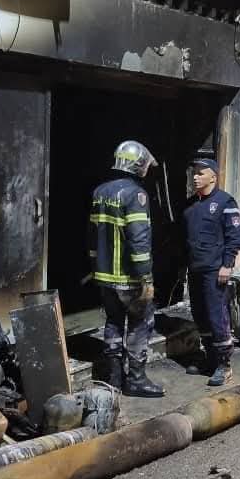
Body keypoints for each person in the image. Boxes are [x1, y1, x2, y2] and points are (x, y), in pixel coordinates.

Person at [91, 140, 164, 398]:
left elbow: (92, 235)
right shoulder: (136, 195)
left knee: (113, 322)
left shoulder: (100, 192)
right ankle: (136, 380)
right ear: (138, 164)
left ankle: (114, 378)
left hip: (104, 276)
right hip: (129, 277)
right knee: (140, 323)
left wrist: (95, 266)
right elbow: (139, 239)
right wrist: (146, 277)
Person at [183, 158, 240, 386]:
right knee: (200, 314)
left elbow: (235, 237)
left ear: (213, 177)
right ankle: (210, 359)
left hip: (214, 271)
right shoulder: (191, 205)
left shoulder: (225, 202)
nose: (195, 176)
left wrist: (227, 264)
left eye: (201, 173)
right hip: (195, 269)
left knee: (216, 316)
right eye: (194, 172)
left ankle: (224, 365)